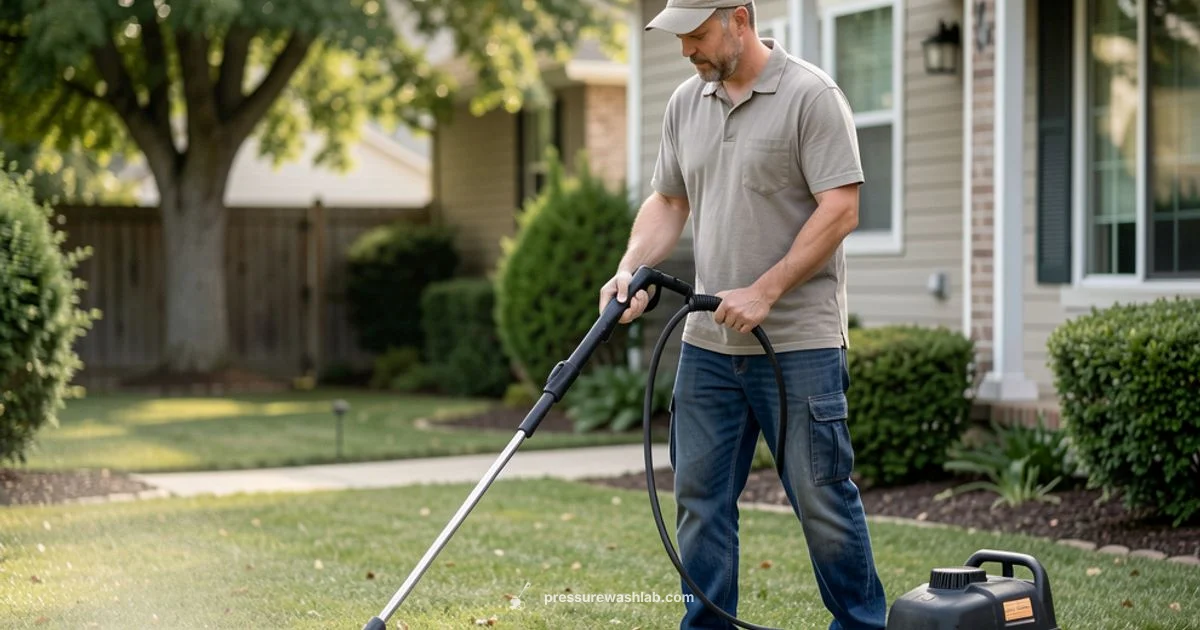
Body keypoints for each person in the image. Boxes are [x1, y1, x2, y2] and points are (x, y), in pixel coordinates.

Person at [597, 1, 888, 628]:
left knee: (821, 501)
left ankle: (862, 625)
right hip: (707, 347)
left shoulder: (811, 97)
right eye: (680, 38)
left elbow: (840, 209)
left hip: (799, 345)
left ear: (740, 17)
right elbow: (669, 200)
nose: (687, 51)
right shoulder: (685, 102)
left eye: (698, 35)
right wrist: (632, 268)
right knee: (700, 503)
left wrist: (766, 289)